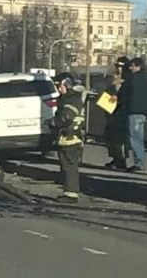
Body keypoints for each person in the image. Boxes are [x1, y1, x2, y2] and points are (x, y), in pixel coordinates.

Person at [52, 72, 85, 202]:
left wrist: (53, 122)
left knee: (70, 167)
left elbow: (66, 117)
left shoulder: (71, 99)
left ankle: (71, 194)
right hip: (68, 138)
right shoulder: (71, 98)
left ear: (66, 84)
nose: (58, 89)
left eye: (59, 85)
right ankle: (68, 191)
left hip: (70, 138)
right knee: (66, 166)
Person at [123, 57, 147, 172]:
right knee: (137, 137)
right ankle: (139, 161)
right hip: (142, 113)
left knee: (135, 138)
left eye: (132, 66)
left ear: (138, 66)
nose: (130, 68)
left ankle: (139, 162)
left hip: (135, 112)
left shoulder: (134, 79)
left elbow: (128, 94)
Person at [103, 56, 130, 170]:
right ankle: (115, 157)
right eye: (117, 67)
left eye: (121, 67)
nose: (119, 69)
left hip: (121, 112)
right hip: (111, 110)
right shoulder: (113, 78)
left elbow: (127, 96)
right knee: (111, 136)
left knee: (120, 138)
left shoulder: (129, 80)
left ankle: (121, 159)